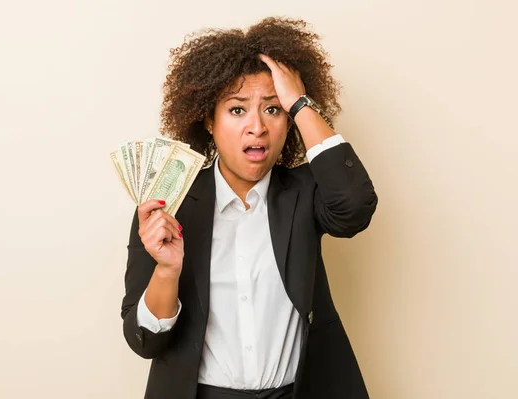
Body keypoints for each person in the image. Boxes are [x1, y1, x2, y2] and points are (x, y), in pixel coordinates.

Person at [120, 17, 378, 399]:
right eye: (238, 110)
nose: (256, 127)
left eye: (273, 110)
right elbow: (143, 341)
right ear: (208, 119)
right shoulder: (167, 205)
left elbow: (354, 207)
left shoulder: (305, 192)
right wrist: (167, 270)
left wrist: (300, 103)